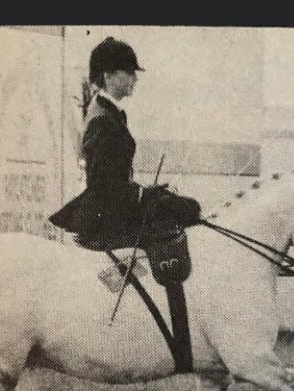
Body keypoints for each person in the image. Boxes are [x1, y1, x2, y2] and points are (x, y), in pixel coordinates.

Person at [49, 37, 200, 249]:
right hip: (107, 211)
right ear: (108, 75)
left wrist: (147, 192)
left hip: (118, 202)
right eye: (129, 72)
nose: (135, 79)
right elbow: (102, 184)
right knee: (182, 212)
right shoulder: (101, 118)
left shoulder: (113, 113)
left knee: (184, 207)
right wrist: (142, 194)